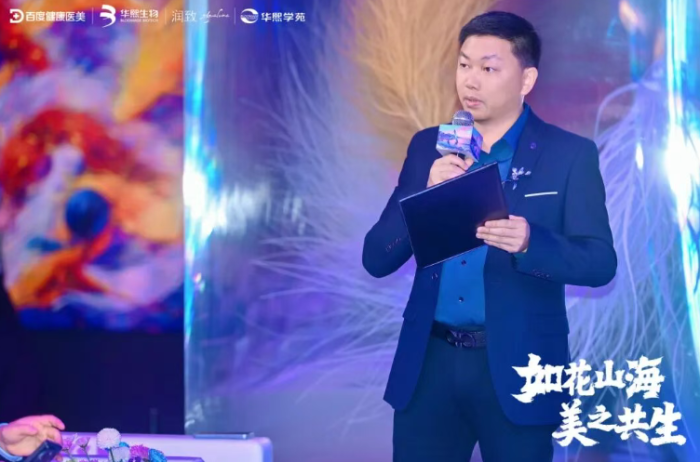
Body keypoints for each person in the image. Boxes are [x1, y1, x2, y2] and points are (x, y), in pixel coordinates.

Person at [362, 10, 617, 462]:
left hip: (520, 366)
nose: (470, 80)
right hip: (430, 366)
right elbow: (376, 258)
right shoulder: (429, 147)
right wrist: (422, 195)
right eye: (464, 65)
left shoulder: (569, 154)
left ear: (526, 79)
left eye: (488, 68)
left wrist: (531, 243)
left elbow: (600, 263)